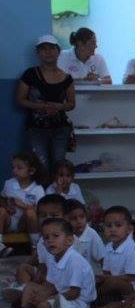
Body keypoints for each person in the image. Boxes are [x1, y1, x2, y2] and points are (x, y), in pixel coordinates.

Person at [0, 218, 95, 308]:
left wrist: (47, 297)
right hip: (60, 294)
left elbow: (74, 293)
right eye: (46, 237)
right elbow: (51, 285)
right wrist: (39, 294)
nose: (50, 240)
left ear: (69, 241)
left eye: (56, 236)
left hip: (77, 302)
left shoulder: (75, 261)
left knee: (43, 307)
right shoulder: (53, 258)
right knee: (30, 286)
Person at [16, 35, 76, 173]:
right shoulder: (30, 74)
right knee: (40, 166)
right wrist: (41, 106)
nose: (48, 52)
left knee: (59, 166)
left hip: (61, 129)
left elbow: (72, 103)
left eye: (51, 48)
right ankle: (43, 194)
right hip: (36, 129)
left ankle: (57, 194)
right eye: (43, 49)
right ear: (38, 53)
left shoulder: (66, 77)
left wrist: (59, 107)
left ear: (58, 51)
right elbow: (20, 100)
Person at [99, 205, 135, 301]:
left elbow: (132, 277)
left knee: (112, 282)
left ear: (129, 229)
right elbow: (106, 271)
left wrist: (110, 279)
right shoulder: (108, 247)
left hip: (133, 286)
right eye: (108, 226)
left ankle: (95, 300)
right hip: (114, 283)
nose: (113, 229)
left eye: (118, 225)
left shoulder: (131, 247)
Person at [0, 152, 46, 244]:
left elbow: (41, 210)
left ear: (31, 171)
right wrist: (6, 206)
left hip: (25, 224)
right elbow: (2, 198)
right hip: (9, 221)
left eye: (19, 168)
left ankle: (35, 246)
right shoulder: (9, 183)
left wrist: (23, 205)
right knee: (1, 211)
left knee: (30, 213)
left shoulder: (37, 188)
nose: (14, 171)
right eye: (13, 167)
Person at [63, 199, 104, 274]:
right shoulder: (63, 235)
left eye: (82, 217)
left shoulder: (91, 234)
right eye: (74, 218)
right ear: (66, 219)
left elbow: (102, 259)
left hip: (93, 277)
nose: (79, 221)